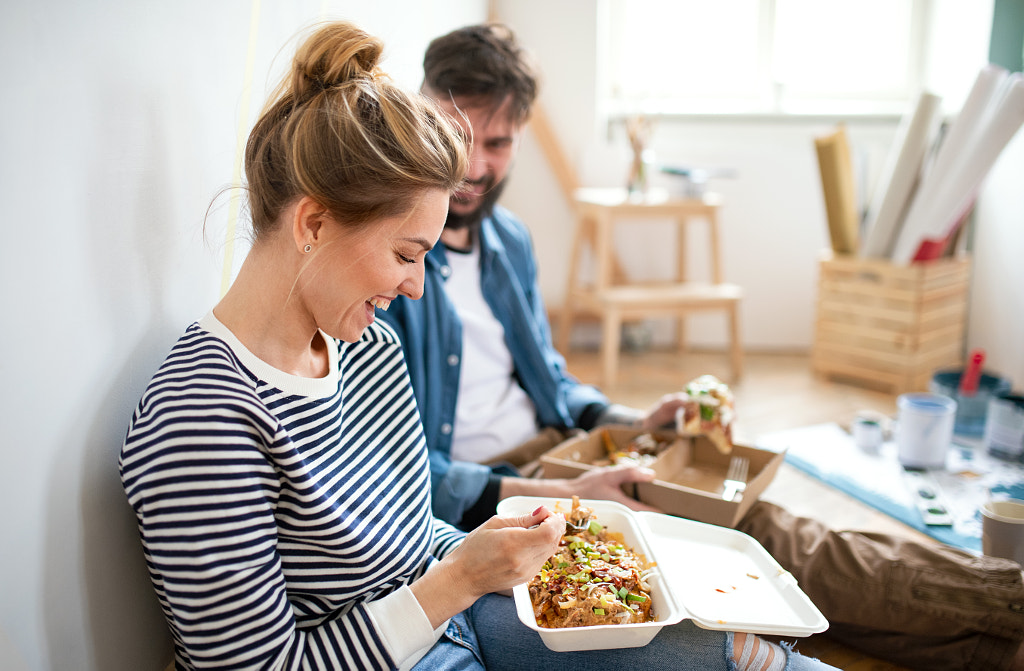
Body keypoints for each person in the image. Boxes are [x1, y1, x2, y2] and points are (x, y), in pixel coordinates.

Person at [119, 20, 833, 671]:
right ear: (313, 221)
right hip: (427, 632)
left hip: (462, 615)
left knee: (737, 652)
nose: (416, 287)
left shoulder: (364, 349)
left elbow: (407, 535)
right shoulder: (201, 418)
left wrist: (507, 534)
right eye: (406, 254)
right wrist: (463, 574)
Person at [378, 22, 1024, 671]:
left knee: (767, 529)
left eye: (497, 143)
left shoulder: (507, 239)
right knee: (752, 547)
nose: (473, 166)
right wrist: (566, 490)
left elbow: (551, 379)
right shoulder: (392, 264)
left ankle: (1003, 626)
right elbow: (394, 473)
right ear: (421, 110)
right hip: (499, 492)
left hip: (566, 452)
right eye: (456, 136)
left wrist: (630, 422)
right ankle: (1006, 616)